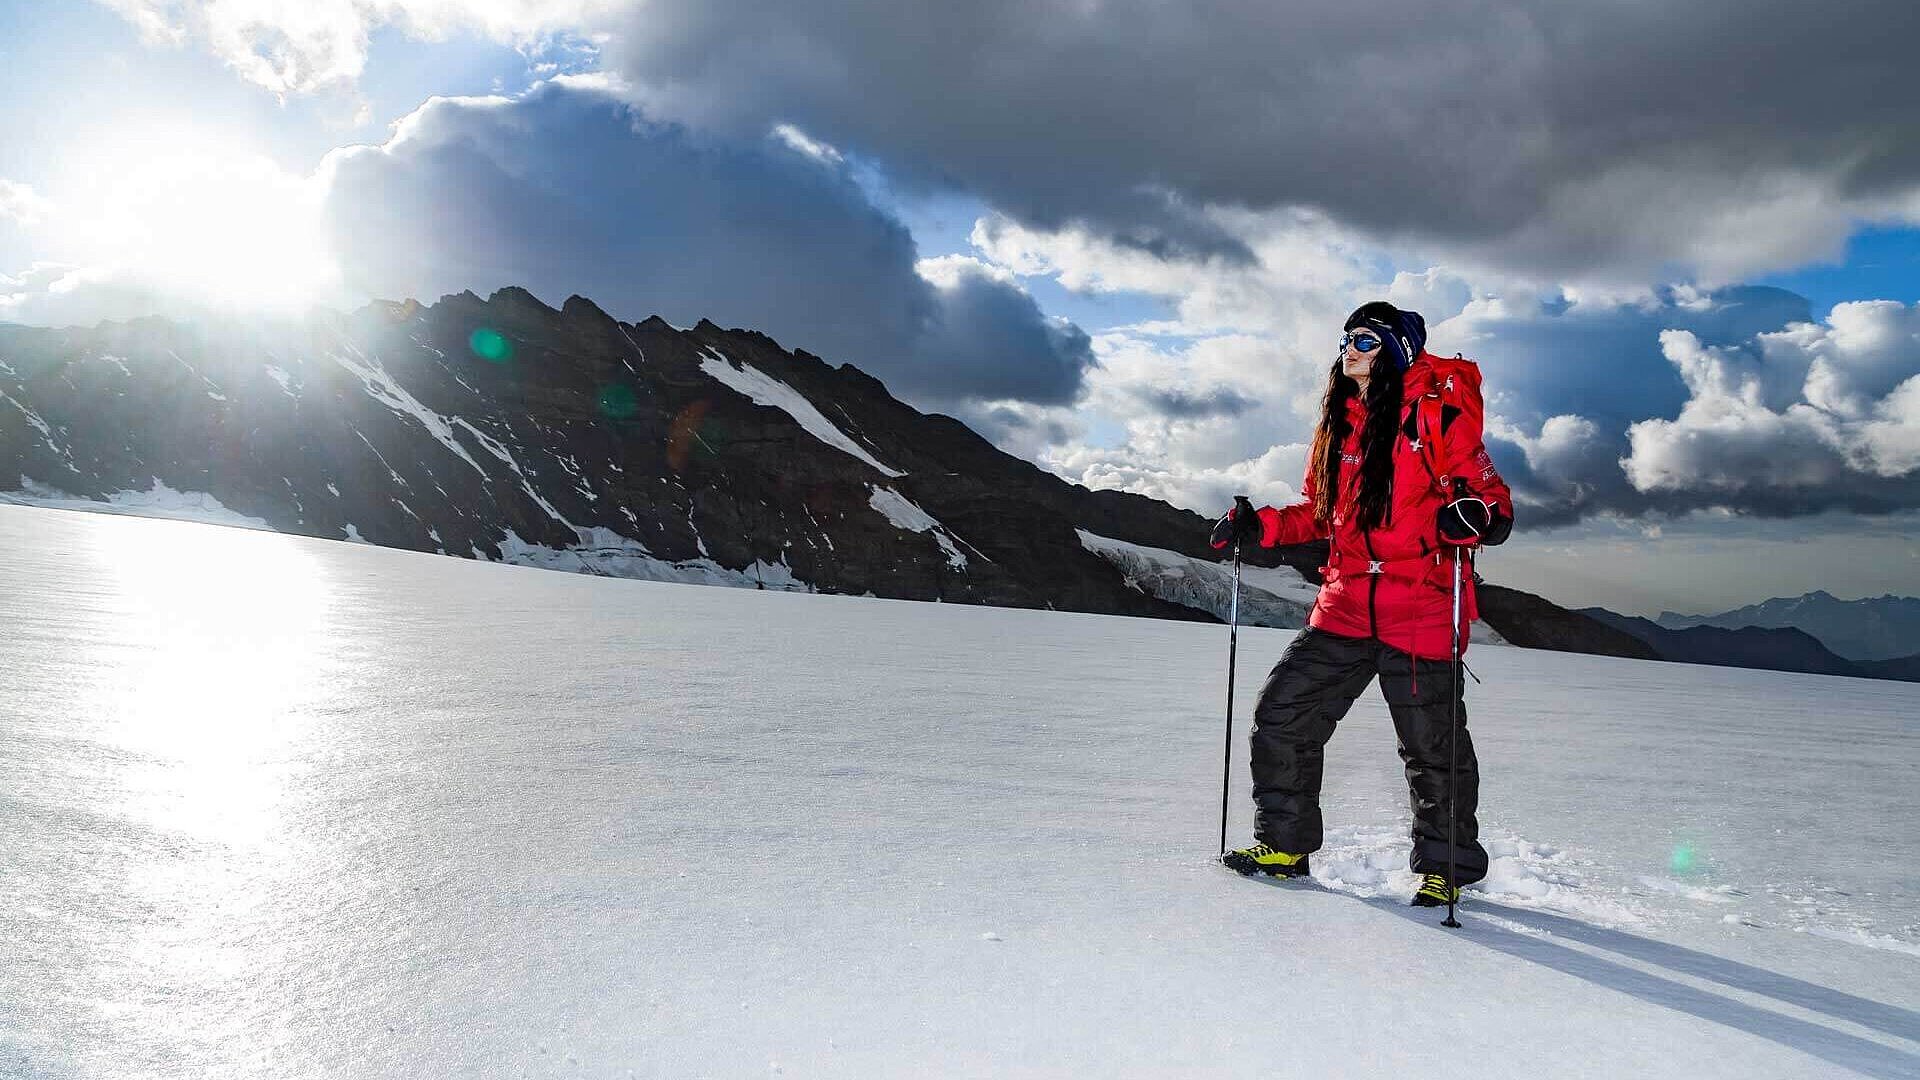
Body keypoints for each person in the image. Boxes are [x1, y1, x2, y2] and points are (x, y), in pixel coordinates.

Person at [1210, 300, 1513, 908]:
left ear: (1396, 352)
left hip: (1421, 606)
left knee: (1434, 748)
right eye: (1348, 338)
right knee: (1283, 714)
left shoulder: (1439, 414)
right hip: (1345, 603)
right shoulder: (1340, 421)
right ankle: (1285, 846)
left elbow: (1492, 501)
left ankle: (1445, 869)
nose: (1351, 347)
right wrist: (1258, 525)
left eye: (1367, 340)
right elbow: (1320, 511)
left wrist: (1473, 518)